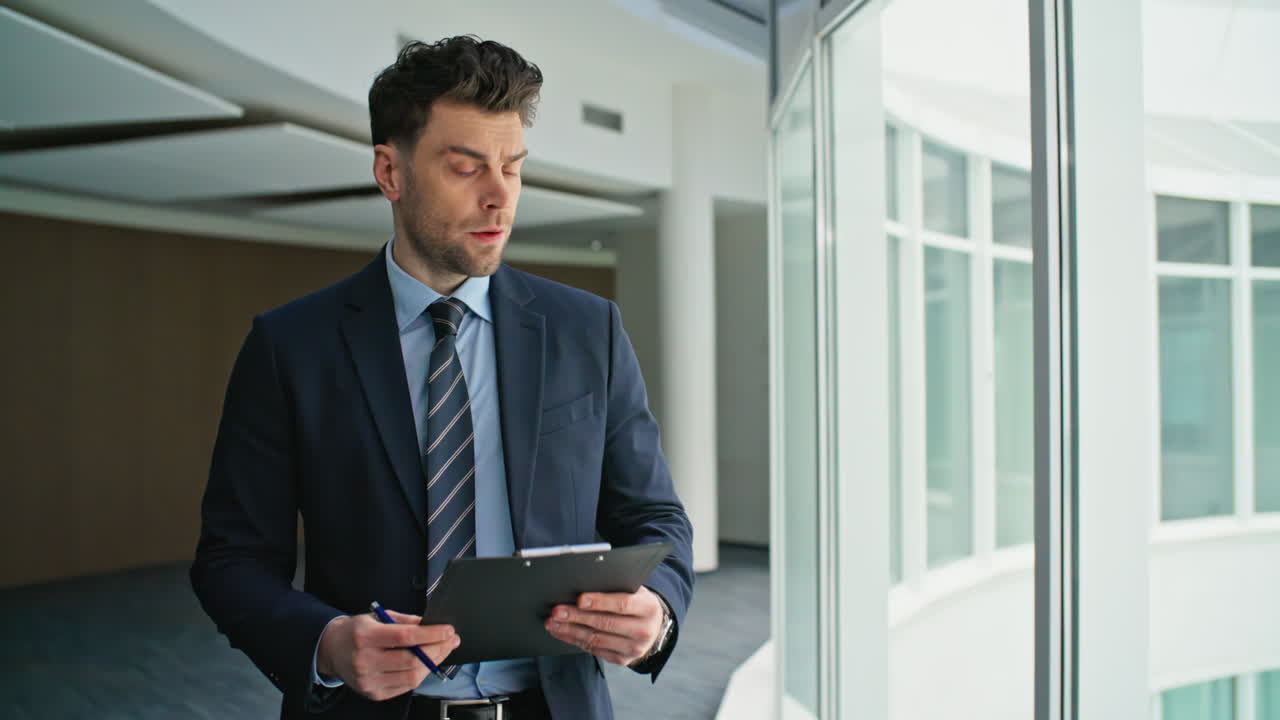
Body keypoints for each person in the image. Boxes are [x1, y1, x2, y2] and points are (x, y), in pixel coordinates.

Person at [190, 36, 694, 720]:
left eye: (513, 169)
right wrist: (327, 644)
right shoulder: (292, 346)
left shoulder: (588, 331)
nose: (499, 198)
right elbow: (232, 558)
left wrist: (655, 611)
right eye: (465, 168)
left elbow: (654, 517)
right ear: (390, 173)